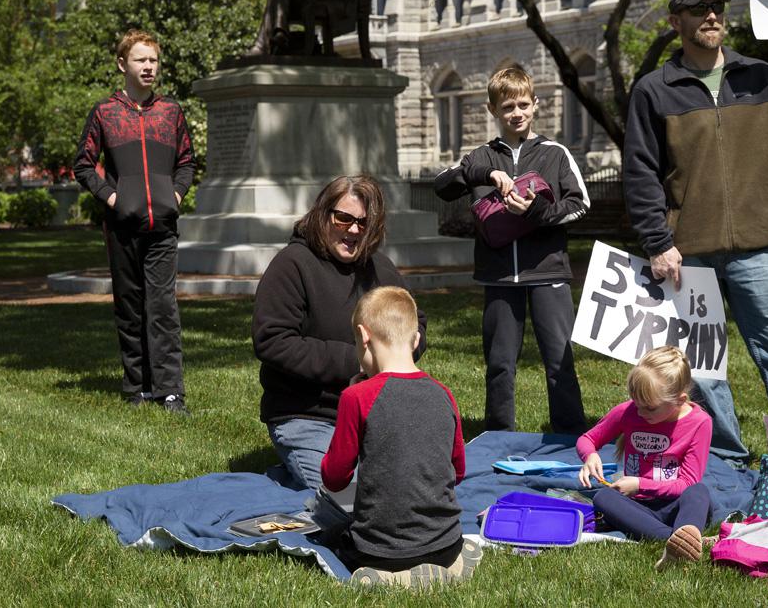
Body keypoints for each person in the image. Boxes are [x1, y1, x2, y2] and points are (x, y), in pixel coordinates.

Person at [623, 0, 768, 465]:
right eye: (700, 9)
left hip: (759, 244)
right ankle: (723, 460)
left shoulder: (760, 77)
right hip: (688, 251)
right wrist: (658, 241)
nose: (712, 16)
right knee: (701, 366)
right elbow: (639, 174)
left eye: (718, 7)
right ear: (677, 21)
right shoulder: (653, 91)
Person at [434, 66, 588, 435]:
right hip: (499, 276)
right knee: (500, 363)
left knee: (559, 360)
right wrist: (486, 175)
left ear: (535, 105)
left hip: (548, 272)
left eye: (523, 104)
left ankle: (569, 437)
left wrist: (536, 212)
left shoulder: (555, 153)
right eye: (507, 107)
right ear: (493, 110)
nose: (516, 113)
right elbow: (441, 185)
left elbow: (580, 204)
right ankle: (498, 436)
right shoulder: (481, 156)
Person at [252, 175, 427, 490]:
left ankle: (292, 474)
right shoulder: (292, 265)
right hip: (309, 416)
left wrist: (400, 352)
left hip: (377, 413)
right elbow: (273, 340)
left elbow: (415, 323)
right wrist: (361, 361)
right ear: (323, 214)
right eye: (344, 218)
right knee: (350, 497)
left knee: (420, 482)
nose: (354, 230)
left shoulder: (381, 268)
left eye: (364, 222)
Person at [320, 286, 479, 586]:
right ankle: (450, 568)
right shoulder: (444, 394)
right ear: (416, 338)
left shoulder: (357, 396)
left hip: (378, 551)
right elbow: (457, 472)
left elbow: (334, 477)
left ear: (363, 336)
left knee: (328, 535)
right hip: (445, 545)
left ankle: (389, 579)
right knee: (447, 549)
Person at [73, 29, 195, 414]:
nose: (148, 66)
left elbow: (187, 162)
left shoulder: (170, 112)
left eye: (153, 60)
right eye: (141, 60)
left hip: (162, 228)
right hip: (122, 227)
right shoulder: (105, 113)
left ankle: (170, 390)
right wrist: (114, 198)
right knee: (130, 306)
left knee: (163, 308)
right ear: (122, 64)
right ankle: (137, 386)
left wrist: (173, 196)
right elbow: (83, 164)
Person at [577, 346, 713, 570]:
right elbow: (587, 439)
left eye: (649, 408)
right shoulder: (629, 411)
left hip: (674, 506)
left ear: (680, 400)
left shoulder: (700, 422)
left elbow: (687, 483)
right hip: (637, 506)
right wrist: (590, 455)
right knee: (603, 497)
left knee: (698, 492)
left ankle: (682, 537)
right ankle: (677, 543)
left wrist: (640, 483)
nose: (640, 413)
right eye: (636, 403)